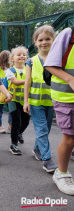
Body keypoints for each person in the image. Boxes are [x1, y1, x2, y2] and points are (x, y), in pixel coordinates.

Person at [23, 25, 58, 173]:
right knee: (42, 129)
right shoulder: (31, 61)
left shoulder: (58, 58)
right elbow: (27, 81)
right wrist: (26, 101)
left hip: (52, 101)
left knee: (46, 129)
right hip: (36, 102)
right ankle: (47, 160)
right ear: (35, 42)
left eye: (47, 39)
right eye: (40, 40)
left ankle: (37, 149)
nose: (44, 42)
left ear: (54, 40)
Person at [44, 25, 74, 195]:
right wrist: (70, 79)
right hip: (66, 97)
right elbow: (50, 65)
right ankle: (61, 173)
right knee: (70, 138)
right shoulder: (68, 34)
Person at [5, 46, 30, 155]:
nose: (22, 56)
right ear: (12, 59)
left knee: (26, 120)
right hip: (13, 99)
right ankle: (13, 144)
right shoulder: (9, 71)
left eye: (24, 55)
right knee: (16, 121)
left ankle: (19, 133)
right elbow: (15, 82)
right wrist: (30, 80)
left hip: (25, 100)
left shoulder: (28, 69)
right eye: (18, 55)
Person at [0, 50, 12, 134]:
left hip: (9, 92)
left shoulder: (11, 69)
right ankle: (0, 126)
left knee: (11, 110)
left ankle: (10, 125)